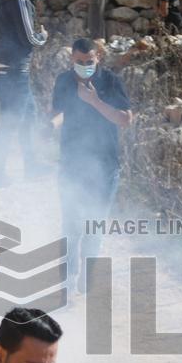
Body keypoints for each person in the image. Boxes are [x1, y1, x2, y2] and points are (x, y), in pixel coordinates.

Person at [50, 38, 132, 293]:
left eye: (89, 62)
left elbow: (125, 119)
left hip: (105, 167)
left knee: (94, 226)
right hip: (71, 164)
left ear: (99, 59)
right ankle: (68, 279)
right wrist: (49, 124)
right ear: (71, 59)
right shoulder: (63, 81)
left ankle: (87, 280)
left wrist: (94, 101)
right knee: (71, 224)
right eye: (79, 62)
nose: (84, 66)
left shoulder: (110, 81)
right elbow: (57, 113)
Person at [0, 0, 47, 188]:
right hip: (11, 70)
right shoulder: (20, 1)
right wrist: (43, 37)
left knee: (28, 115)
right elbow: (30, 37)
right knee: (12, 123)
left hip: (6, 68)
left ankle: (31, 165)